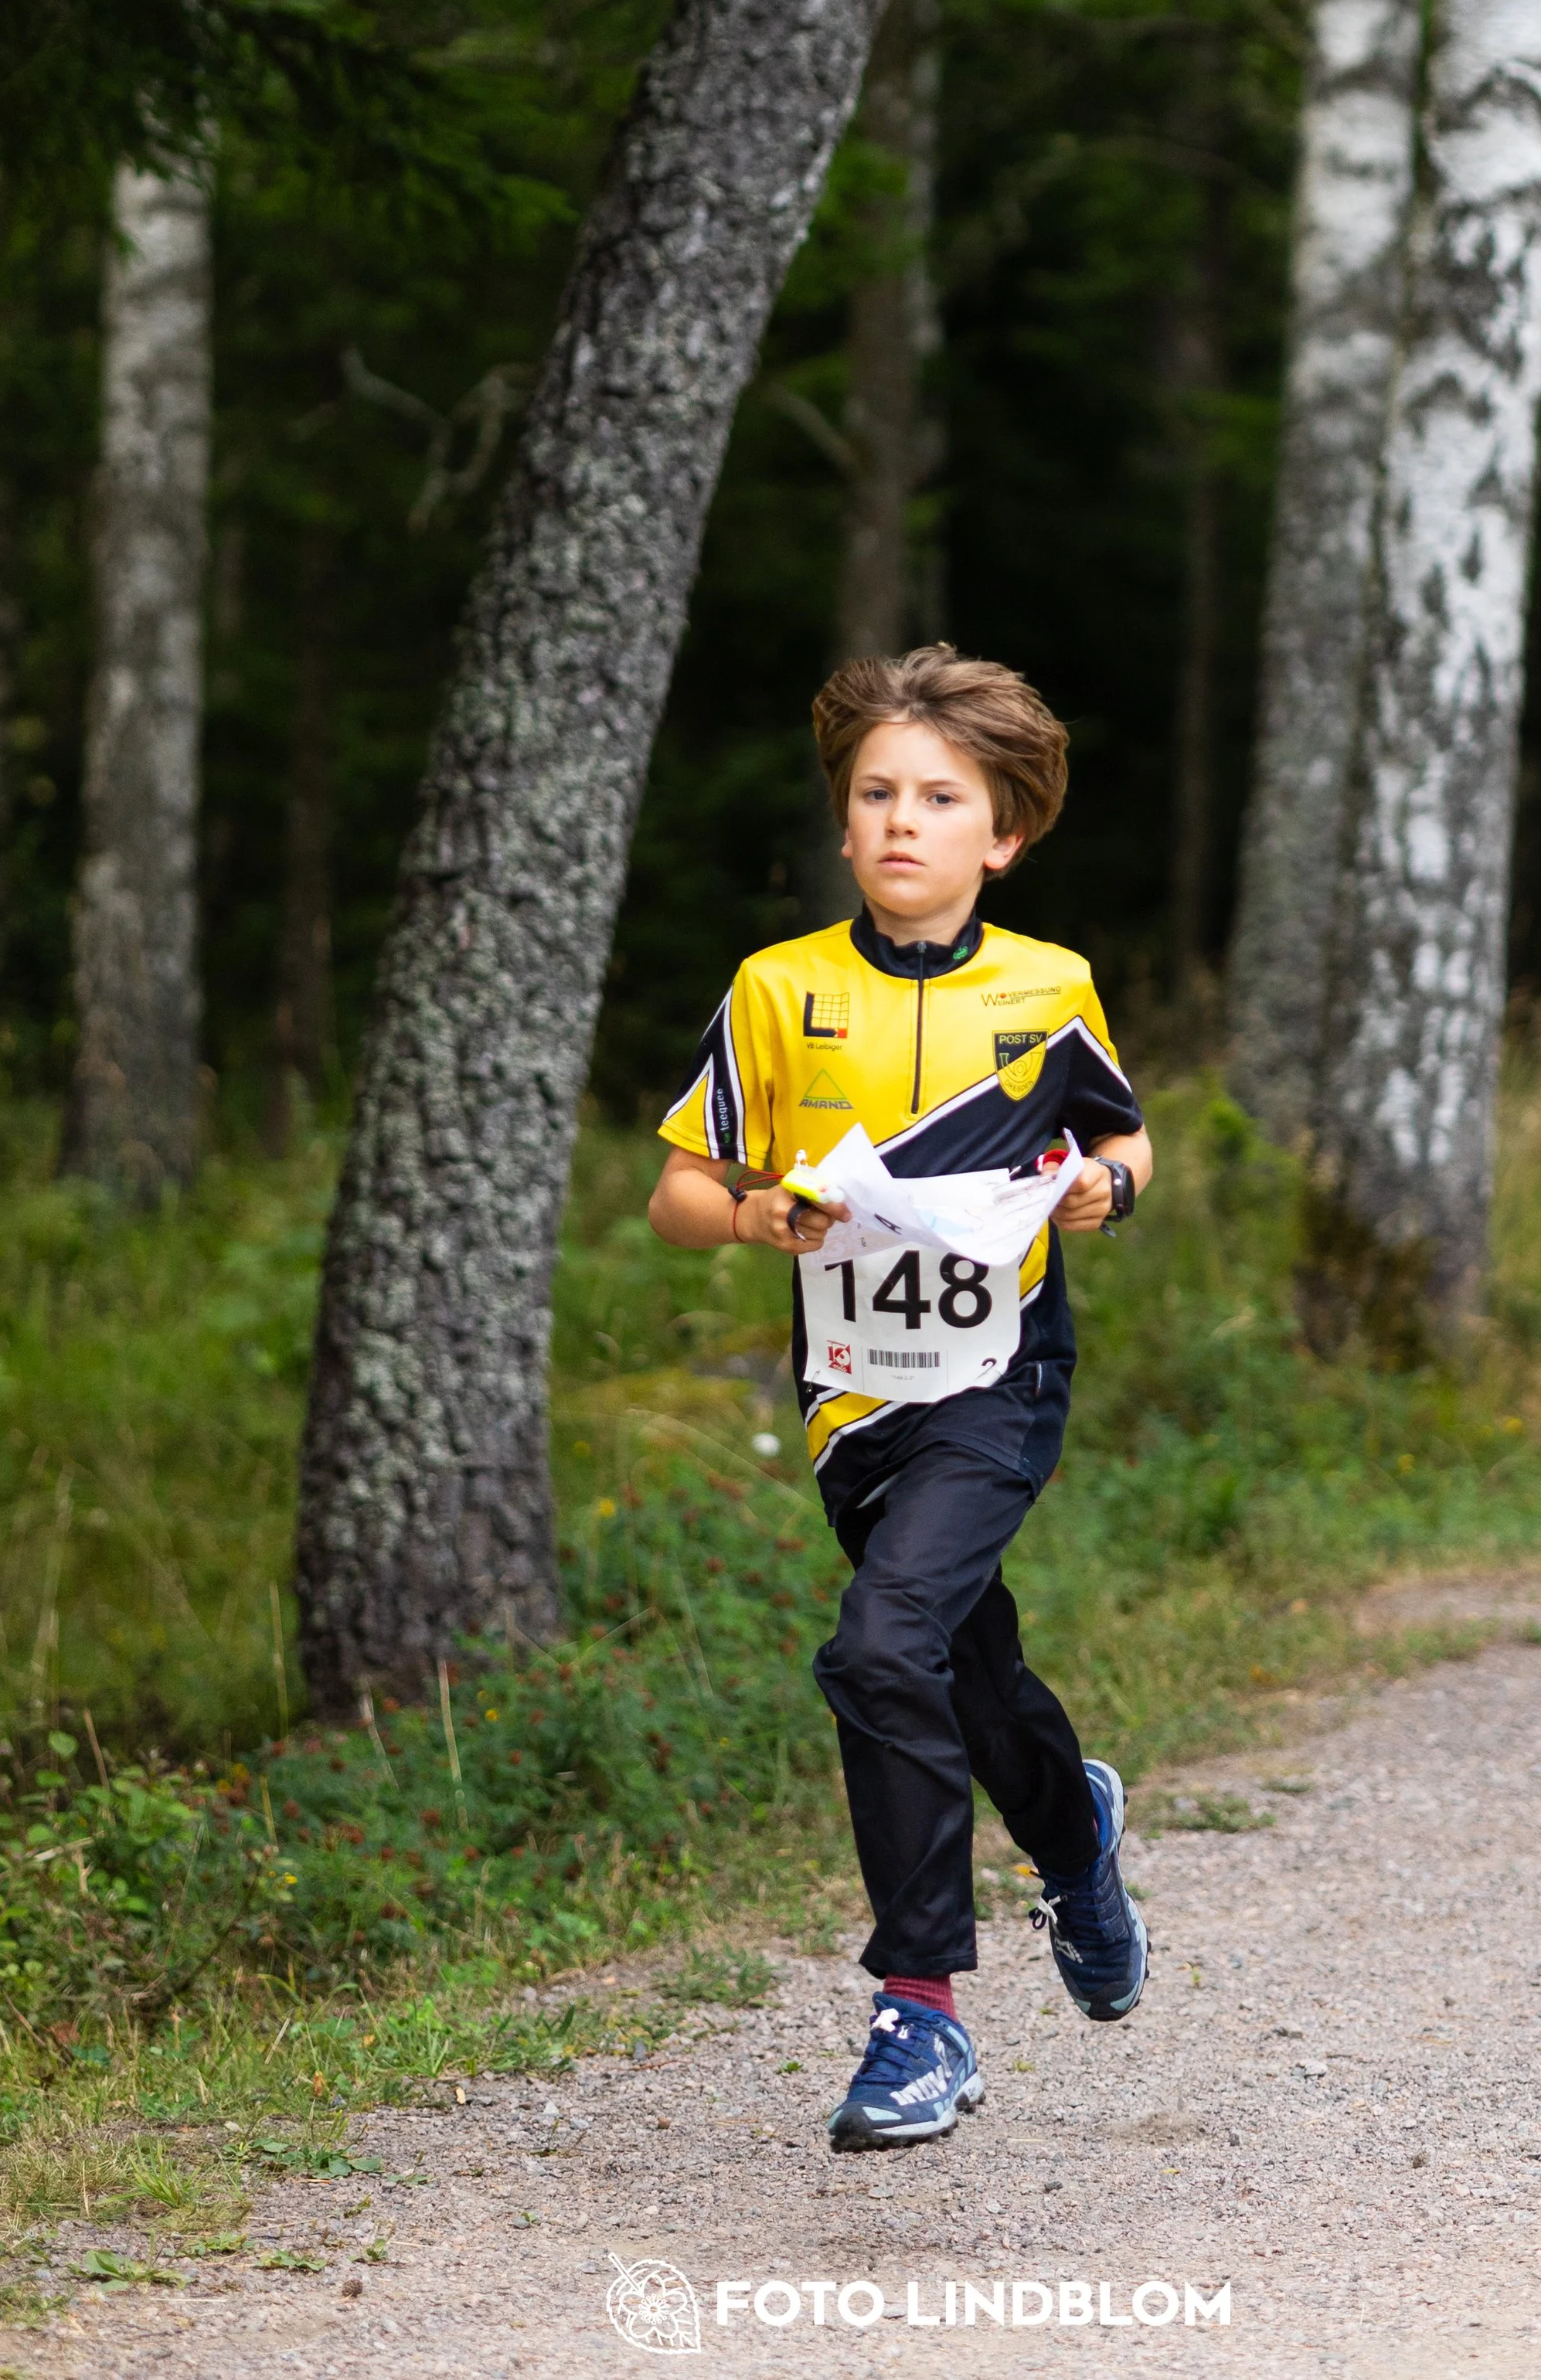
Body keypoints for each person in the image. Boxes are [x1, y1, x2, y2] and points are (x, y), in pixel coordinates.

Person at [648, 645, 1152, 2152]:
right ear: (843, 818)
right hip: (851, 1398)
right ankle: (1073, 1834)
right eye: (874, 792)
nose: (900, 821)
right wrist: (754, 1220)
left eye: (939, 797)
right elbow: (680, 1186)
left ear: (1002, 832)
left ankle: (918, 2009)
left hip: (1001, 1375)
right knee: (959, 1662)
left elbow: (1121, 1142)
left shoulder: (1045, 986)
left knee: (880, 1647)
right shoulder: (775, 988)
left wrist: (1099, 1197)